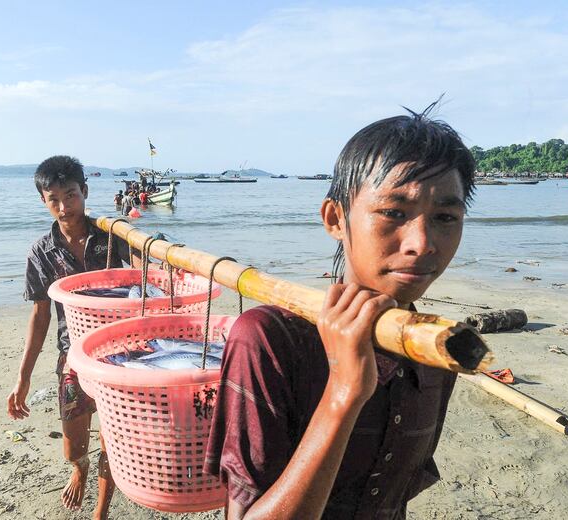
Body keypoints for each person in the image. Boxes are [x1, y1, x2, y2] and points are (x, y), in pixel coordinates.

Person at [204, 103, 476, 519]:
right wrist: (344, 395)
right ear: (335, 218)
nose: (422, 243)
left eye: (445, 217)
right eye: (393, 213)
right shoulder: (269, 340)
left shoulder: (435, 349)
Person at [7, 155, 138, 518]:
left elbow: (147, 270)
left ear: (85, 191)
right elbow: (40, 314)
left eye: (71, 196)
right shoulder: (41, 252)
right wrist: (23, 377)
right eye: (54, 200)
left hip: (119, 351)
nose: (64, 207)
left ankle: (101, 511)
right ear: (43, 201)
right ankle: (79, 469)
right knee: (73, 446)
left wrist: (135, 237)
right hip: (73, 354)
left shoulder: (112, 236)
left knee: (112, 439)